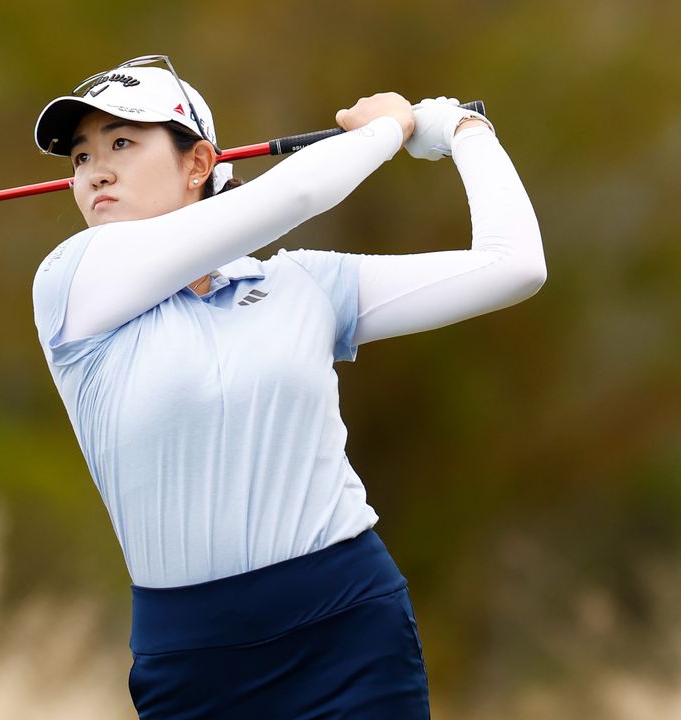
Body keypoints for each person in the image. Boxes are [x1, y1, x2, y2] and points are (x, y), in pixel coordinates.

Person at [30, 55, 545, 719]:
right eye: (79, 155)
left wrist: (465, 130)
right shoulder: (72, 285)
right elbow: (292, 197)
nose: (95, 169)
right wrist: (384, 129)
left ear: (198, 164)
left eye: (122, 143)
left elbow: (514, 267)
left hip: (348, 630)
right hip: (194, 664)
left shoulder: (301, 285)